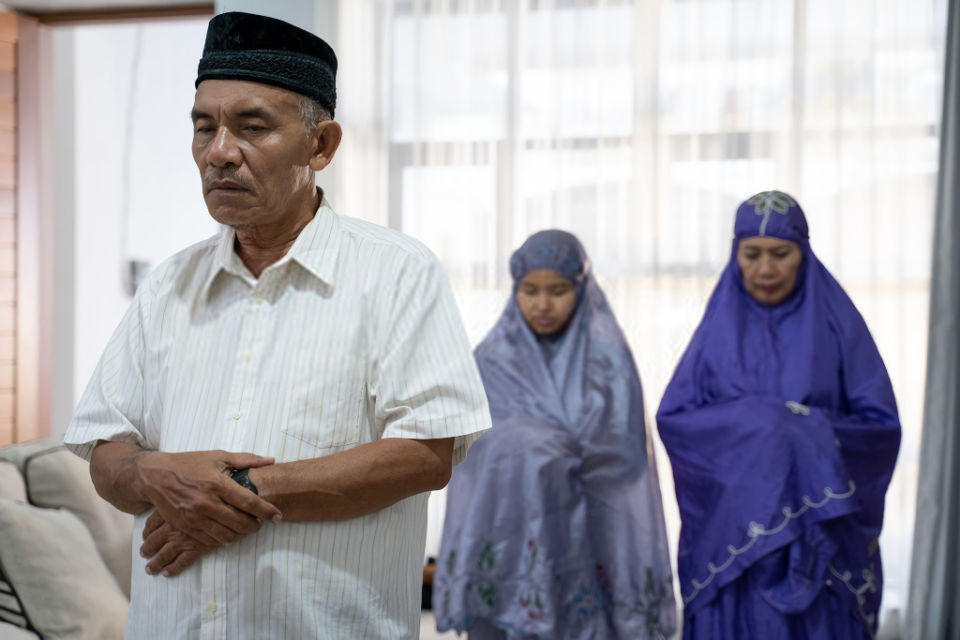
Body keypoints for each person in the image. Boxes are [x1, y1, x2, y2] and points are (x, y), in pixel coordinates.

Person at [62, 12, 490, 639]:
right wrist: (158, 476)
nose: (219, 152)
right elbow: (106, 452)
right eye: (203, 127)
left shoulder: (396, 272)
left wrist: (228, 492)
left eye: (252, 127)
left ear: (322, 145)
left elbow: (425, 455)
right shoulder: (168, 286)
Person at [656, 191, 901, 639]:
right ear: (736, 255)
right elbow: (675, 421)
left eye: (780, 254)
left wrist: (800, 432)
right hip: (735, 544)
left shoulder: (839, 326)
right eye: (752, 254)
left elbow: (880, 429)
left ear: (803, 254)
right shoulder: (716, 333)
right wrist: (760, 426)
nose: (765, 269)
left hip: (819, 547)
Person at [434, 230, 676, 639]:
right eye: (530, 290)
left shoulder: (609, 363)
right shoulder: (491, 360)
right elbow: (468, 449)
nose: (542, 304)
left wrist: (567, 453)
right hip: (510, 540)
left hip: (592, 541)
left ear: (581, 288)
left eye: (558, 290)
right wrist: (533, 445)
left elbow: (629, 458)